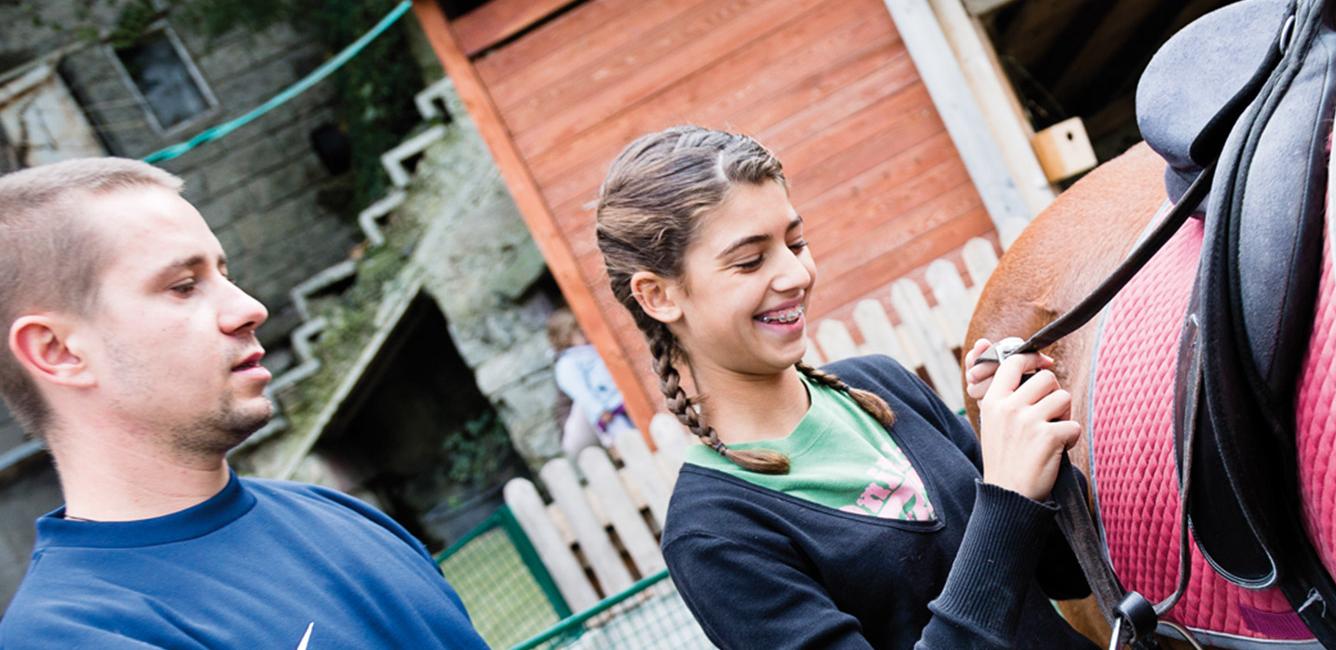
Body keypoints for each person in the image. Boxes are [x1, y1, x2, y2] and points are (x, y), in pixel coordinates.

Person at [595, 126, 1096, 648]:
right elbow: (1004, 523)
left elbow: (1066, 574)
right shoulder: (714, 533)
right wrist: (1007, 495)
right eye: (750, 260)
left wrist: (1029, 436)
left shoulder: (884, 385)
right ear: (657, 296)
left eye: (796, 242)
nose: (796, 274)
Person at [0, 158, 488, 648]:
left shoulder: (340, 515)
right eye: (184, 286)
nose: (250, 308)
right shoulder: (71, 636)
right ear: (57, 351)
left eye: (224, 273)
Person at [547, 307, 639, 458]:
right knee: (622, 437)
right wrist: (598, 410)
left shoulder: (588, 350)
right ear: (566, 337)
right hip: (606, 409)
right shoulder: (567, 363)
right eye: (579, 332)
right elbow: (580, 392)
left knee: (636, 430)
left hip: (617, 400)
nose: (585, 333)